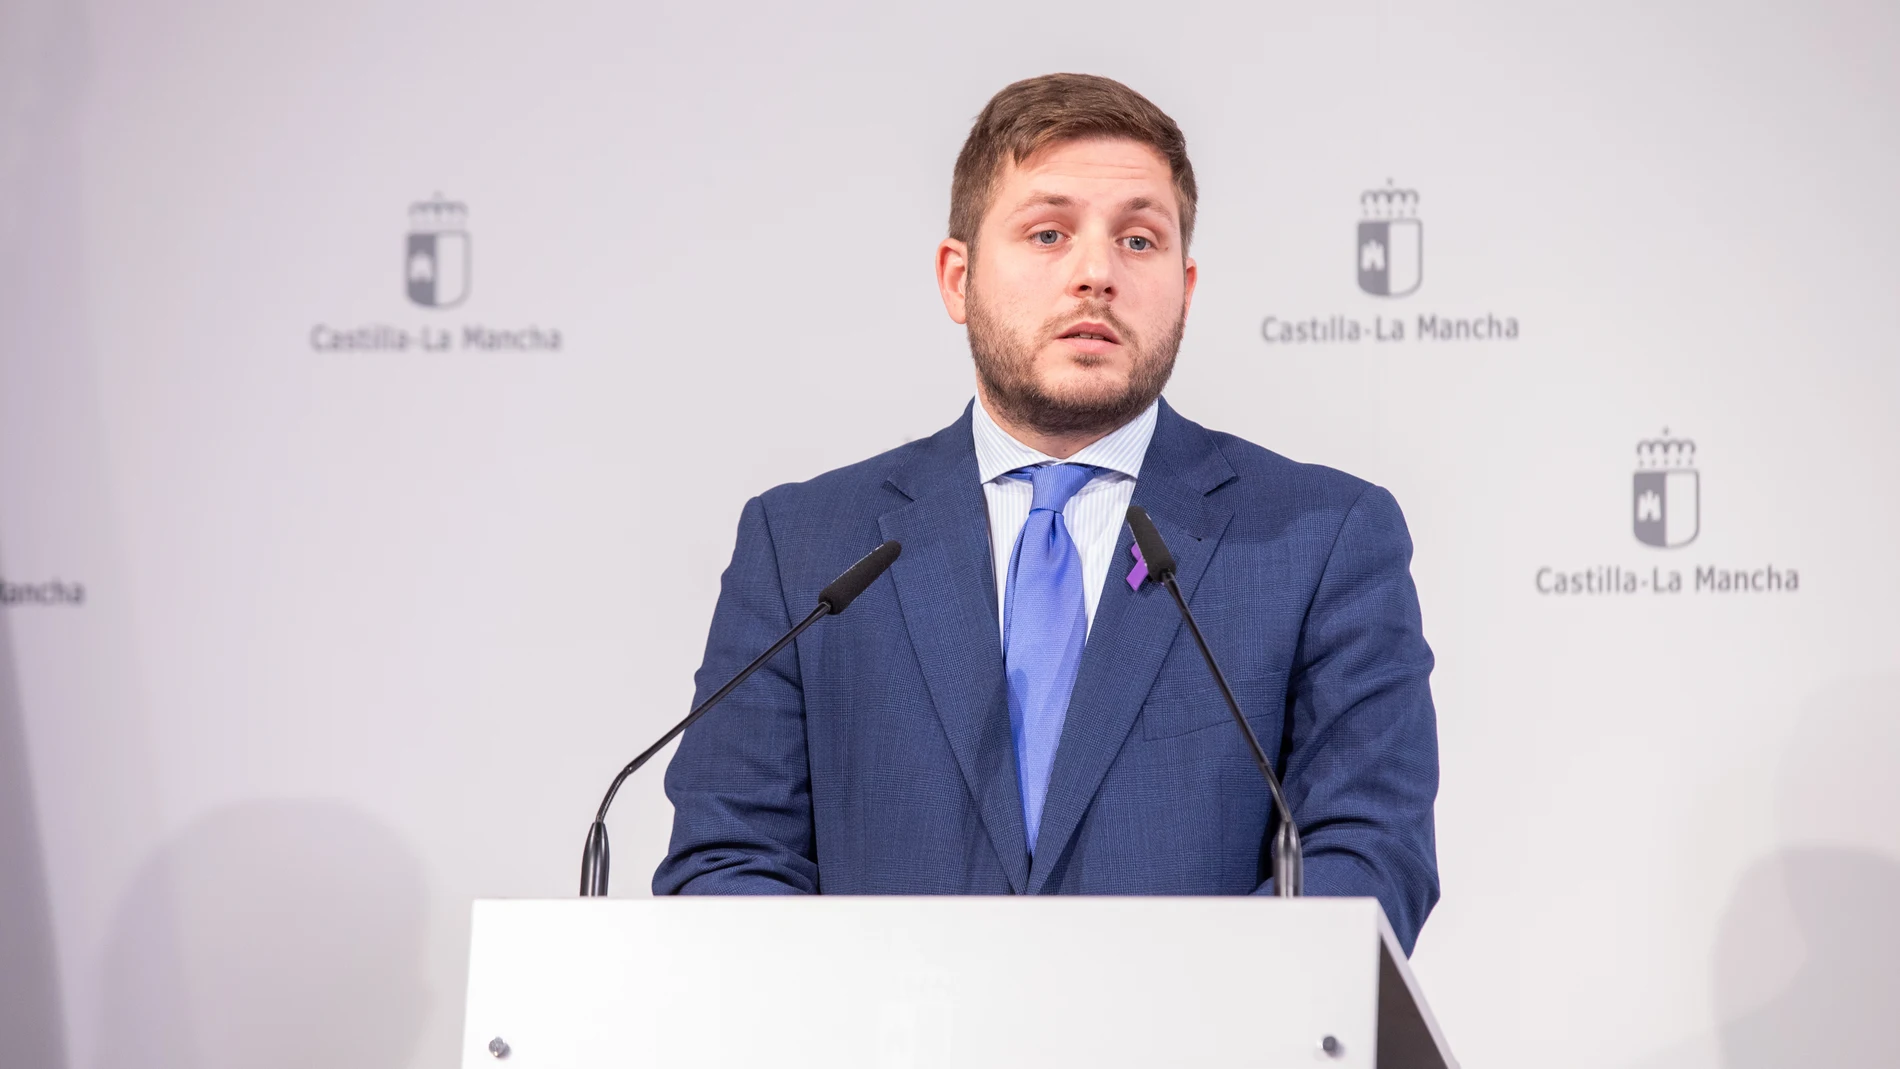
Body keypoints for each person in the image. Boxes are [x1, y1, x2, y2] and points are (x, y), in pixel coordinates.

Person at [653, 72, 1440, 952]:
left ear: (1184, 285)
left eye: (1139, 240)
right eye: (1048, 232)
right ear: (959, 279)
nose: (1095, 273)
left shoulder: (1320, 540)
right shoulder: (804, 546)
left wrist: (1130, 1020)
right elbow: (726, 862)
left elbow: (1366, 861)